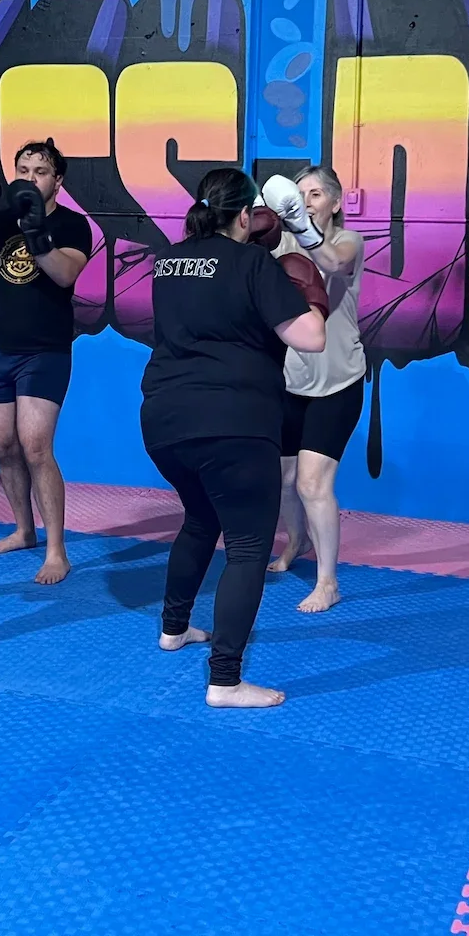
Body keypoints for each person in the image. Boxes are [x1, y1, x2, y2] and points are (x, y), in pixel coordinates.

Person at [141, 167, 327, 708]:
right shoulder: (254, 264)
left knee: (201, 518)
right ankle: (225, 679)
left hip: (164, 419)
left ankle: (174, 627)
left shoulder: (167, 262)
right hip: (234, 422)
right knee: (247, 546)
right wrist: (306, 284)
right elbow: (311, 337)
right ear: (246, 215)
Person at [0, 138, 92, 584]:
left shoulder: (73, 225)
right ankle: (24, 530)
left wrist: (34, 229)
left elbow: (65, 273)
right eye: (22, 170)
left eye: (39, 172)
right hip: (0, 345)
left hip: (45, 350)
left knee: (36, 448)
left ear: (57, 181)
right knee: (4, 447)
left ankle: (56, 550)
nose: (29, 178)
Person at [261, 166, 366, 612]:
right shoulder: (277, 244)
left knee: (312, 483)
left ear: (335, 203)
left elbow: (333, 264)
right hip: (290, 379)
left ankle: (328, 583)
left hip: (339, 381)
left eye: (316, 194)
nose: (305, 201)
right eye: (298, 195)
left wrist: (300, 227)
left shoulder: (348, 241)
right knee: (284, 479)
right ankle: (296, 541)